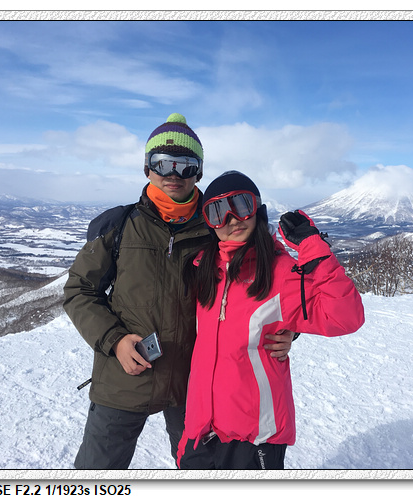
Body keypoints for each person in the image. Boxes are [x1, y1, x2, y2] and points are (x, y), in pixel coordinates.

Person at [63, 114, 293, 469]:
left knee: (201, 476)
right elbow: (79, 290)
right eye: (162, 162)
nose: (174, 173)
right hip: (124, 373)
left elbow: (266, 284)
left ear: (198, 172)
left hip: (195, 382)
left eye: (186, 165)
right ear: (147, 168)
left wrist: (286, 330)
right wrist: (115, 340)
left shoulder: (218, 227)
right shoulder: (120, 226)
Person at [177, 171, 365, 470]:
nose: (231, 219)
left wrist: (313, 247)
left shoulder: (282, 272)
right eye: (217, 212)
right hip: (200, 430)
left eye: (241, 205)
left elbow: (345, 317)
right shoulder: (203, 270)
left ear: (258, 210)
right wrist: (189, 434)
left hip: (253, 437)